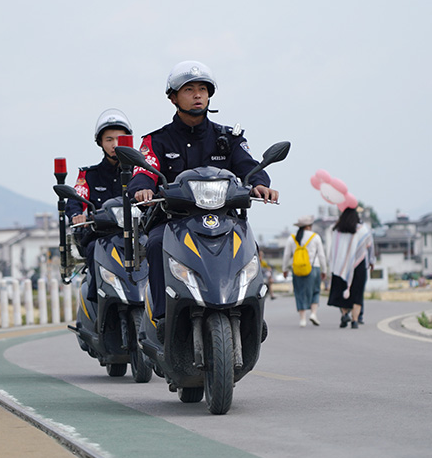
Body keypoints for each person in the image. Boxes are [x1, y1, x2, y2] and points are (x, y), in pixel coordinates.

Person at [128, 60, 279, 330]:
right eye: (188, 90)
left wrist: (259, 182)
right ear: (173, 97)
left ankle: (251, 314)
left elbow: (247, 165)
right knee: (154, 243)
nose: (197, 94)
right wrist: (142, 186)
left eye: (202, 89)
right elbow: (145, 169)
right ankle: (163, 319)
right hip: (174, 220)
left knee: (249, 245)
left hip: (224, 219)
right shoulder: (157, 140)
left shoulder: (228, 137)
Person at [65, 108, 133, 303]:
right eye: (109, 140)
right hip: (101, 237)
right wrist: (77, 214)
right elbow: (77, 197)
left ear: (128, 140)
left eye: (120, 139)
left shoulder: (139, 173)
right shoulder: (89, 175)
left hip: (135, 236)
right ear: (101, 143)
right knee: (95, 248)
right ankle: (98, 304)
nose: (114, 145)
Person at [327, 206, 374, 329]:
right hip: (359, 266)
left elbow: (333, 250)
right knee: (357, 294)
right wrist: (372, 261)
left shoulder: (337, 230)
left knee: (342, 292)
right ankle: (354, 320)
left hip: (340, 266)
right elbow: (370, 246)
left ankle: (344, 314)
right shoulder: (363, 230)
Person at [282, 215, 328, 327]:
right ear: (309, 226)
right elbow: (321, 255)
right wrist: (324, 270)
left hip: (297, 269)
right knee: (315, 291)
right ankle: (313, 313)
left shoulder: (292, 238)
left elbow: (287, 255)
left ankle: (302, 319)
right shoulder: (315, 237)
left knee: (299, 292)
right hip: (314, 268)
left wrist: (285, 269)